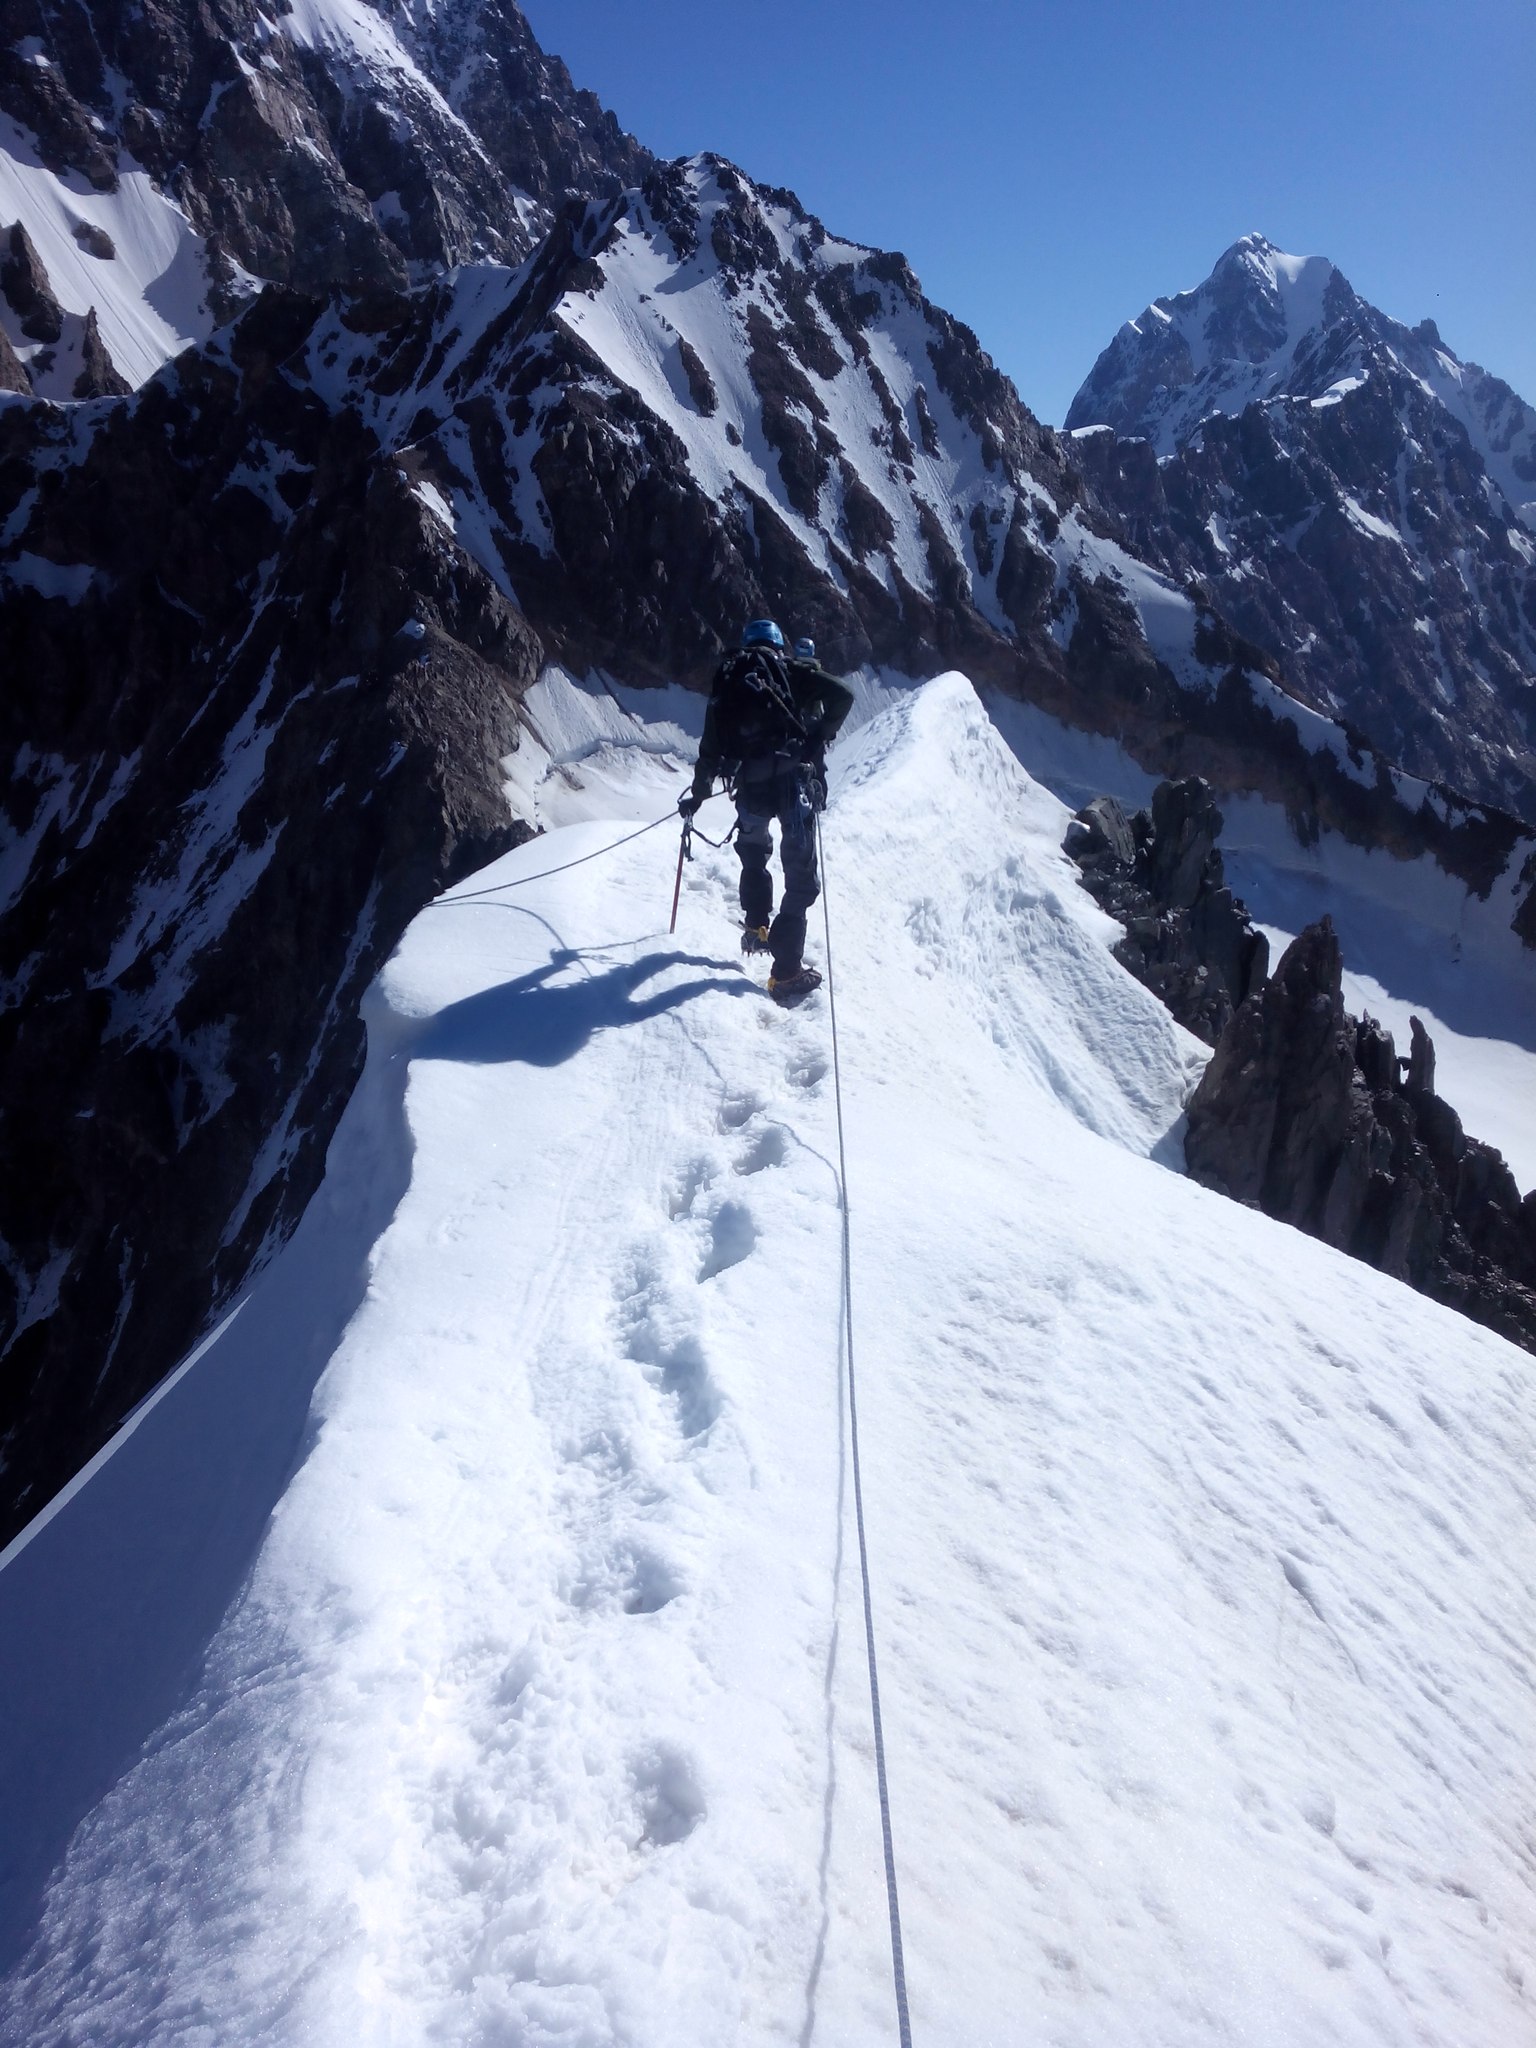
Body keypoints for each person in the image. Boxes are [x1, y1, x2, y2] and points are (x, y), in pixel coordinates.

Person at [679, 620, 855, 1002]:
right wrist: (816, 737)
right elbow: (843, 696)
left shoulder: (729, 681)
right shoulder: (792, 672)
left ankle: (757, 926)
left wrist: (697, 794)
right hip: (793, 784)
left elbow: (709, 750)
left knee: (754, 854)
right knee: (801, 877)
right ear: (778, 647)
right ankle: (786, 971)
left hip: (751, 788)